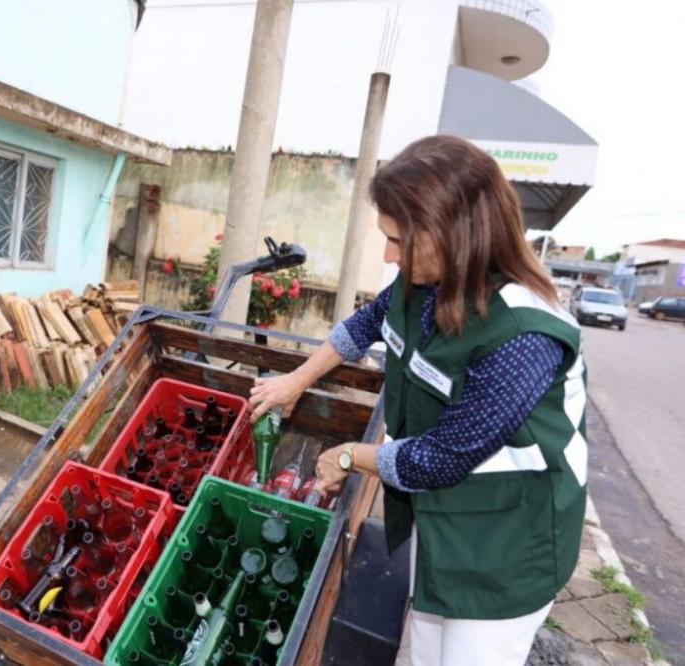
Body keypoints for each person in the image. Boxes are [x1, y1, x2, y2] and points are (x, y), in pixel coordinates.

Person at [249, 135, 587, 666]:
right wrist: (295, 382)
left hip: (507, 547)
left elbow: (439, 459)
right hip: (442, 517)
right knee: (425, 652)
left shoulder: (523, 334)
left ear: (457, 234)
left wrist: (347, 456)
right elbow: (366, 324)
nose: (389, 256)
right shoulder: (422, 283)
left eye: (399, 241)